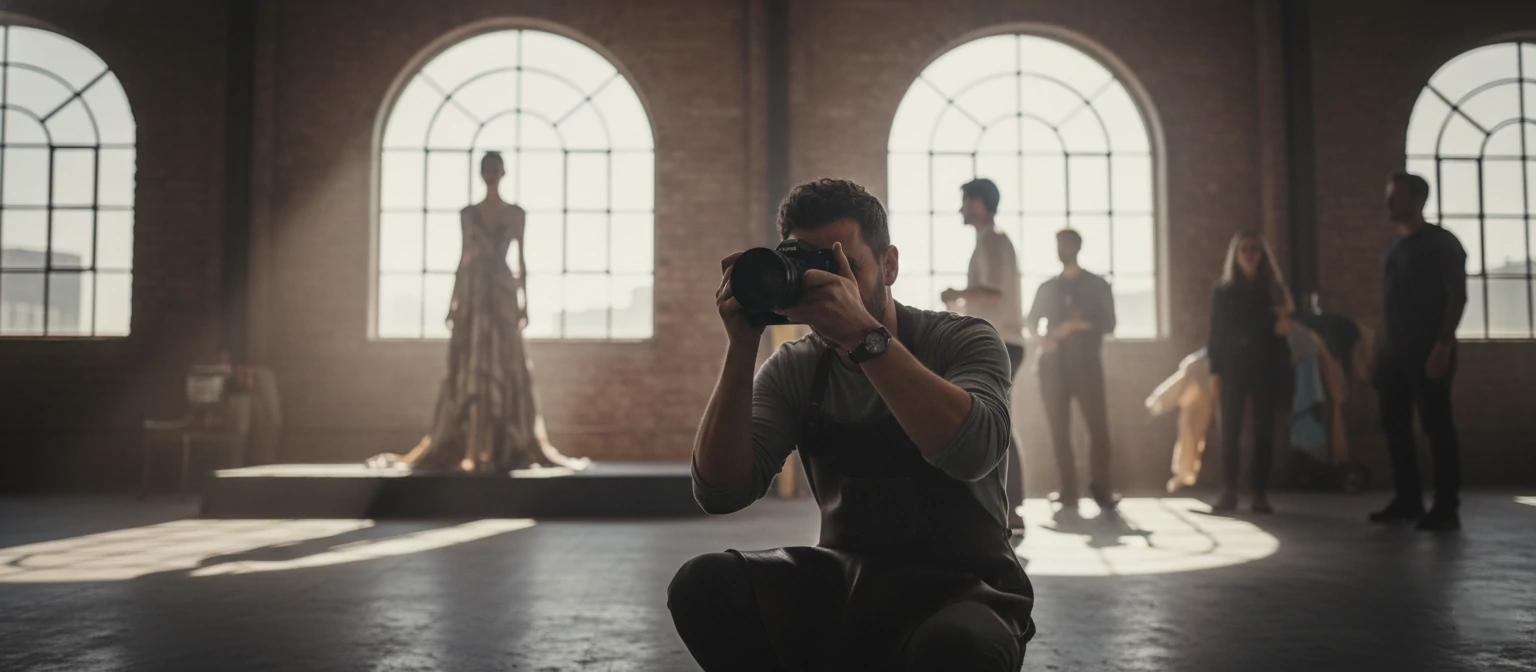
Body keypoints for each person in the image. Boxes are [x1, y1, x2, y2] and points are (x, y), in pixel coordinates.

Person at [669, 179, 1033, 671]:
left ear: (890, 266)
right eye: (812, 269)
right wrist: (740, 346)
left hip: (968, 588)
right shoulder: (798, 366)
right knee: (704, 585)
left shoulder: (962, 340)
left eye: (846, 268)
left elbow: (973, 453)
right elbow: (720, 491)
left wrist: (864, 336)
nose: (829, 286)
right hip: (850, 578)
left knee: (958, 646)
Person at [368, 152, 587, 473]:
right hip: (473, 296)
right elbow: (464, 257)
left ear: (503, 173)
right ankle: (471, 446)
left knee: (505, 361)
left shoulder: (515, 214)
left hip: (501, 293)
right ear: (481, 173)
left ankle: (502, 444)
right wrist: (453, 302)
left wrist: (525, 302)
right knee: (470, 362)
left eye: (495, 169)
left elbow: (522, 260)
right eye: (486, 169)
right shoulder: (468, 214)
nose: (491, 174)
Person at [1368, 172, 1467, 531]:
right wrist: (1376, 351)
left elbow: (1458, 296)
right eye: (1388, 195)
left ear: (1418, 199)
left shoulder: (1442, 243)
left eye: (1395, 196)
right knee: (1396, 427)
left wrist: (1443, 344)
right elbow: (1387, 304)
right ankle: (1408, 500)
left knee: (1436, 427)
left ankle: (1446, 507)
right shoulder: (1392, 248)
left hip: (1428, 352)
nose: (1388, 202)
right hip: (1392, 354)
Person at [941, 178, 1027, 533]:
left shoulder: (993, 240)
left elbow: (994, 293)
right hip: (1000, 339)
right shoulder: (989, 240)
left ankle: (1010, 507)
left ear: (978, 204)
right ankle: (1006, 506)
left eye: (964, 202)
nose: (960, 209)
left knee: (995, 422)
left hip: (1001, 341)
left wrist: (956, 293)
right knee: (994, 420)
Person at [1025, 228, 1118, 512]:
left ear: (1077, 247)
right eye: (1058, 244)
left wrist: (1076, 326)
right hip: (1052, 368)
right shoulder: (1047, 287)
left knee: (1098, 428)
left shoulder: (1097, 285)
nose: (1061, 249)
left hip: (1087, 367)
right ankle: (1068, 490)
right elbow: (1030, 322)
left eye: (1066, 244)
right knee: (1058, 429)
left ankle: (1101, 488)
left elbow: (1109, 323)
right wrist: (1044, 340)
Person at [1207, 231, 1293, 514]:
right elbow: (1216, 333)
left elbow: (1284, 329)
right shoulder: (1223, 290)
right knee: (1229, 430)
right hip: (1232, 367)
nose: (1248, 254)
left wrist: (1282, 323)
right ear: (1236, 254)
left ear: (1262, 254)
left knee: (1263, 430)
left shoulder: (1273, 290)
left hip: (1265, 365)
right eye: (1243, 249)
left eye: (1254, 249)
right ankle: (1229, 490)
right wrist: (1215, 371)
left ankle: (1259, 492)